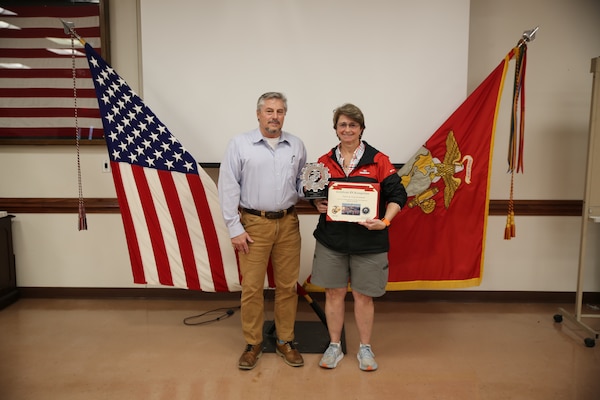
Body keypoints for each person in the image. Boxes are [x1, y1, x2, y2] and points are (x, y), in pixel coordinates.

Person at [310, 103, 407, 371]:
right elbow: (314, 194)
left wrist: (385, 221)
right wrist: (316, 204)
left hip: (369, 241)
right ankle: (334, 346)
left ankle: (365, 349)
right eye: (342, 125)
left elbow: (399, 195)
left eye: (353, 125)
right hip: (333, 240)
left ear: (361, 128)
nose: (348, 129)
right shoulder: (324, 161)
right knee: (334, 293)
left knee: (364, 296)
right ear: (336, 129)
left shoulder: (379, 160)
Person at [218, 92, 307, 370]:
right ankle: (253, 343)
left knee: (287, 287)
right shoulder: (240, 144)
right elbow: (228, 187)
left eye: (280, 111)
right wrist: (234, 227)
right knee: (252, 287)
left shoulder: (296, 145)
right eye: (269, 111)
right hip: (253, 224)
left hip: (288, 223)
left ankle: (285, 341)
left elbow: (302, 183)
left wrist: (316, 194)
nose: (274, 116)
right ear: (258, 114)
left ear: (284, 115)